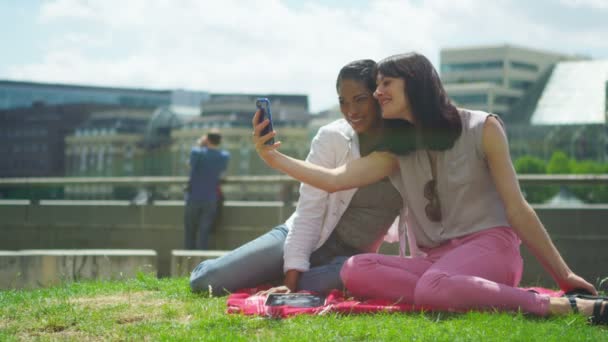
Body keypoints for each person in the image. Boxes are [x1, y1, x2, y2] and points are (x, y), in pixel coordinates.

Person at [252, 53, 607, 324]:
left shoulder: (483, 128)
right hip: (436, 260)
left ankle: (558, 305)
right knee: (355, 268)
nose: (377, 93)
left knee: (433, 288)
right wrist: (271, 157)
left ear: (415, 83)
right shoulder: (398, 149)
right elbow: (334, 180)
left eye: (385, 84)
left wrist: (564, 276)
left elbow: (518, 210)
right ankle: (466, 294)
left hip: (491, 247)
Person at [190, 59, 406, 295]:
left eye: (360, 99)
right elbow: (309, 211)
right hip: (298, 237)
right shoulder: (331, 137)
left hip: (348, 258)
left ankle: (288, 276)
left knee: (323, 281)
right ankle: (282, 272)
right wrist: (290, 283)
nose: (351, 111)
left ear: (378, 96)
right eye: (343, 102)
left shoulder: (405, 148)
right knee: (206, 282)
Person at [184, 129, 230, 250]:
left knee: (190, 230)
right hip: (211, 198)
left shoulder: (197, 152)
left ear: (207, 139)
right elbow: (222, 172)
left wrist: (200, 143)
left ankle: (188, 259)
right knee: (204, 231)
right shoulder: (224, 156)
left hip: (193, 197)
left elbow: (190, 164)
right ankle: (200, 261)